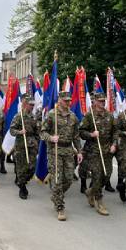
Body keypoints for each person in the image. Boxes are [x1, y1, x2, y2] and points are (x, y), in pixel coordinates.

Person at [41, 91, 82, 221]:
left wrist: (79, 151)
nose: (68, 102)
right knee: (58, 180)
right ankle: (60, 207)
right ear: (59, 101)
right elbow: (42, 132)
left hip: (68, 151)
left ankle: (56, 193)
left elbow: (76, 136)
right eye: (65, 100)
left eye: (69, 100)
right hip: (55, 151)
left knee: (69, 179)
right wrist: (51, 137)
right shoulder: (52, 115)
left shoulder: (73, 116)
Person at [79, 92, 117, 216]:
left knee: (107, 175)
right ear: (94, 101)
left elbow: (115, 132)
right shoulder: (89, 116)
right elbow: (81, 132)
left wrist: (114, 144)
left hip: (107, 150)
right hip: (94, 150)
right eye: (100, 101)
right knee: (97, 175)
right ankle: (99, 202)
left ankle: (90, 192)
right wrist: (91, 134)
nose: (102, 103)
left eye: (103, 101)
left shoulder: (109, 116)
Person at [9, 95, 39, 199]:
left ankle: (22, 182)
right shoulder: (19, 116)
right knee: (21, 168)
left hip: (32, 145)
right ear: (25, 104)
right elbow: (11, 130)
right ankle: (22, 188)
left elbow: (37, 132)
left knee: (32, 168)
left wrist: (37, 143)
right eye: (30, 104)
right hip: (21, 145)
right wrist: (20, 132)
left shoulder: (34, 117)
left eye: (33, 105)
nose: (32, 106)